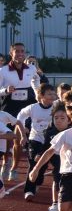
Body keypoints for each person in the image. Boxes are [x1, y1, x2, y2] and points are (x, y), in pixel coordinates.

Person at [0, 43, 42, 181]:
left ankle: (14, 167)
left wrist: (37, 92)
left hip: (25, 105)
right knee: (6, 137)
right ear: (11, 53)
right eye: (17, 51)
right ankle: (6, 161)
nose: (20, 54)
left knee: (18, 138)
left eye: (22, 51)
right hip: (9, 105)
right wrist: (5, 90)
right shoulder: (3, 71)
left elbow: (36, 80)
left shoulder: (31, 68)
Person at [17, 83, 58, 201]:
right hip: (35, 139)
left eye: (53, 94)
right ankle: (29, 190)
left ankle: (38, 180)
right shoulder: (33, 108)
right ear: (41, 96)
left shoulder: (56, 107)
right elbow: (20, 117)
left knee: (42, 166)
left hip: (50, 141)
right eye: (49, 94)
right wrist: (23, 131)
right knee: (33, 163)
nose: (52, 96)